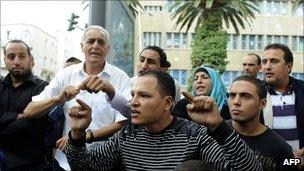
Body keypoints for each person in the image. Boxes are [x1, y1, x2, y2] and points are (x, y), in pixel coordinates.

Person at [65, 70, 262, 170]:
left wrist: (219, 127)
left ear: (167, 103)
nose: (133, 102)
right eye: (133, 95)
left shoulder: (195, 135)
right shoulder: (127, 135)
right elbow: (85, 167)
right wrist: (77, 134)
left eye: (143, 96)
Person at [23, 25, 131, 170]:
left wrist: (79, 137)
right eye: (91, 41)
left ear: (107, 48)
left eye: (101, 42)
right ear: (82, 46)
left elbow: (125, 120)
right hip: (66, 163)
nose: (95, 46)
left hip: (106, 162)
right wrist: (58, 99)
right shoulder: (66, 74)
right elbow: (29, 111)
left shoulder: (121, 77)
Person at [228, 75, 297, 170]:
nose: (236, 102)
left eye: (245, 96)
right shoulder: (213, 131)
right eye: (232, 95)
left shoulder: (281, 148)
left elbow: (293, 163)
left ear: (262, 104)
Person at [0, 39, 48, 170]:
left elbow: (32, 124)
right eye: (11, 57)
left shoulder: (42, 88)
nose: (16, 61)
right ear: (5, 60)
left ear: (31, 60)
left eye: (22, 56)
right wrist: (16, 116)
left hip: (29, 163)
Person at [261, 43, 304, 166]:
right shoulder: (255, 92)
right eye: (264, 62)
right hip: (267, 163)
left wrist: (301, 156)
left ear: (289, 66)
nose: (267, 67)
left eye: (274, 61)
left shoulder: (302, 89)